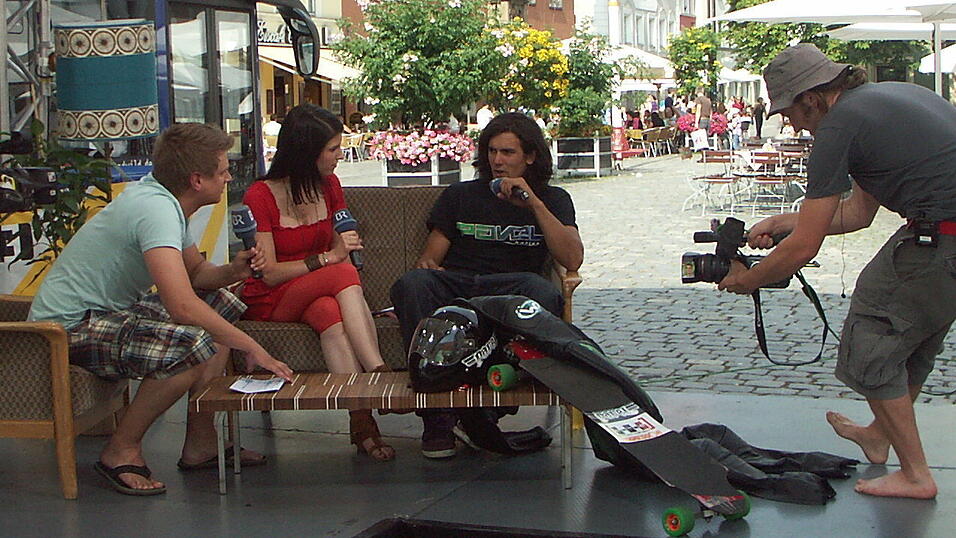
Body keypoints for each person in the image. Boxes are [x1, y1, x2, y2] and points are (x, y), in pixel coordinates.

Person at [717, 43, 956, 500]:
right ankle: (878, 434)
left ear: (811, 97)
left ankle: (915, 475)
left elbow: (806, 247)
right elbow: (858, 214)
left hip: (937, 238)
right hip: (945, 236)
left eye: (789, 111)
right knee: (911, 339)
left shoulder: (837, 127)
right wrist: (786, 221)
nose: (790, 123)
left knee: (873, 333)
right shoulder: (890, 97)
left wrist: (748, 280)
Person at [28, 123, 294, 496]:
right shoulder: (155, 210)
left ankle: (200, 444)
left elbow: (198, 275)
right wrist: (251, 346)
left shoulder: (166, 202)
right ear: (197, 180)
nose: (229, 177)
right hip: (69, 328)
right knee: (190, 344)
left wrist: (234, 270)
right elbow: (181, 305)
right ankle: (120, 450)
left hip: (112, 313)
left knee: (221, 303)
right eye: (222, 171)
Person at [390, 112, 584, 458]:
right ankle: (438, 418)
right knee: (414, 283)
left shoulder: (552, 199)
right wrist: (428, 267)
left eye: (508, 153)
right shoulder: (461, 195)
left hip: (511, 289)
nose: (497, 160)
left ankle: (485, 411)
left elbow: (572, 260)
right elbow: (432, 256)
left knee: (541, 291)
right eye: (492, 151)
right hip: (461, 285)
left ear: (530, 156)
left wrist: (532, 202)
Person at [240, 104, 396, 462]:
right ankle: (377, 372)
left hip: (314, 293)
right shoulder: (260, 196)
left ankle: (363, 424)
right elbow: (269, 273)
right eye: (332, 149)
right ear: (306, 153)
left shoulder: (330, 186)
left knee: (330, 316)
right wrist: (327, 259)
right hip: (271, 296)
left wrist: (338, 253)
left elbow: (339, 237)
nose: (340, 156)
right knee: (342, 272)